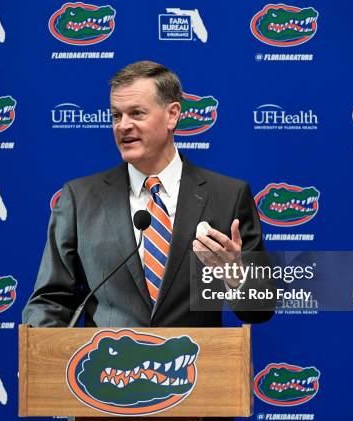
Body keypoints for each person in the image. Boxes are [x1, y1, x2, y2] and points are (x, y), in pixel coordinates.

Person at [22, 61, 273, 327]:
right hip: (108, 364)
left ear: (172, 115)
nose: (123, 126)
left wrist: (236, 275)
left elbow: (261, 308)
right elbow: (50, 300)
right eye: (116, 116)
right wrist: (42, 360)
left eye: (136, 113)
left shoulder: (228, 196)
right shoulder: (80, 198)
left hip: (193, 363)